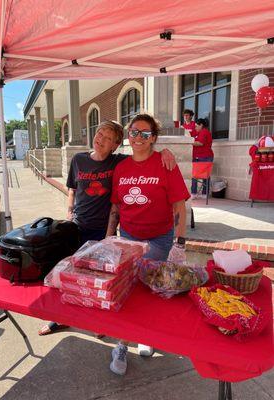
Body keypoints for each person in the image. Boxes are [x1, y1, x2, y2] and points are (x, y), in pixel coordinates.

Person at [38, 120, 176, 335]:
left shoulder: (118, 163)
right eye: (99, 133)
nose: (100, 139)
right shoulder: (78, 159)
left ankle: (99, 322)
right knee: (69, 275)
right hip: (77, 227)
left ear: (115, 145)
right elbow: (72, 190)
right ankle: (59, 318)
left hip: (104, 232)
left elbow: (143, 150)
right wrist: (69, 212)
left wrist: (165, 151)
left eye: (108, 138)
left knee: (100, 282)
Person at [106, 113, 190, 375]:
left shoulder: (165, 163)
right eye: (134, 132)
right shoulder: (121, 168)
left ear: (153, 138)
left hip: (159, 239)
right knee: (127, 290)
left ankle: (147, 336)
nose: (138, 138)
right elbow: (116, 206)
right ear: (128, 136)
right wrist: (110, 237)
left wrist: (180, 242)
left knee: (152, 289)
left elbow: (179, 206)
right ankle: (121, 343)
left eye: (145, 134)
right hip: (129, 237)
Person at [191, 118, 214, 199]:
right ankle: (202, 193)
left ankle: (197, 193)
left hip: (205, 156)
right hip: (199, 156)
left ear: (201, 125)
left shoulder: (204, 132)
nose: (195, 128)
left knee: (201, 175)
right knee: (199, 175)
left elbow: (200, 143)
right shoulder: (199, 132)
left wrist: (188, 142)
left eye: (196, 126)